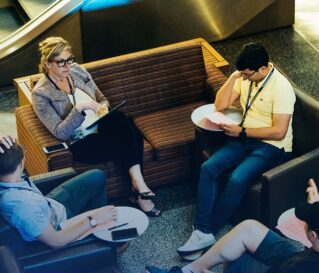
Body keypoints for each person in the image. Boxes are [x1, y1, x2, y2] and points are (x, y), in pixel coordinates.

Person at [178, 43, 296, 257]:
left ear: (263, 69)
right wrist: (233, 78)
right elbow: (220, 105)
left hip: (272, 146)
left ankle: (208, 231)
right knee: (209, 167)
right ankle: (203, 230)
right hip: (245, 136)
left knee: (236, 180)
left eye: (248, 74)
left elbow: (279, 131)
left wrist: (242, 132)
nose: (245, 77)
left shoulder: (281, 88)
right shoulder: (245, 78)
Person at [146, 179, 319, 273]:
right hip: (296, 260)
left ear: (313, 235)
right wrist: (315, 207)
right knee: (249, 228)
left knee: (236, 259)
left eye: (306, 223)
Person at [31, 36, 160, 217]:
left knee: (120, 117)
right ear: (47, 64)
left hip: (101, 126)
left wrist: (103, 109)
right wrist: (79, 108)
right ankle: (138, 191)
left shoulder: (77, 71)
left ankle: (138, 186)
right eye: (61, 63)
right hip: (81, 141)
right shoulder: (41, 94)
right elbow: (59, 132)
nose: (68, 66)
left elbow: (102, 99)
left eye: (70, 60)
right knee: (132, 136)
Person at [0, 137, 117, 248]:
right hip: (59, 225)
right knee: (103, 212)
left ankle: (100, 227)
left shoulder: (9, 181)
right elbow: (56, 241)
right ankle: (102, 236)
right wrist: (94, 219)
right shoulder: (23, 207)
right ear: (21, 163)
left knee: (97, 176)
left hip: (49, 205)